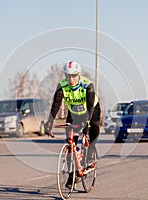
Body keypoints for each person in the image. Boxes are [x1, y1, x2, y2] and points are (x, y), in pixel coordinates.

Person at [45, 61, 101, 189]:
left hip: (91, 110)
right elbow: (56, 104)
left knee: (93, 126)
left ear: (79, 75)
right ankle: (72, 175)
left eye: (73, 76)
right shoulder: (62, 86)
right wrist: (50, 121)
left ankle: (91, 150)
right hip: (74, 112)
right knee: (71, 142)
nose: (70, 79)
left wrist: (87, 123)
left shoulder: (87, 85)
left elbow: (90, 105)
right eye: (67, 76)